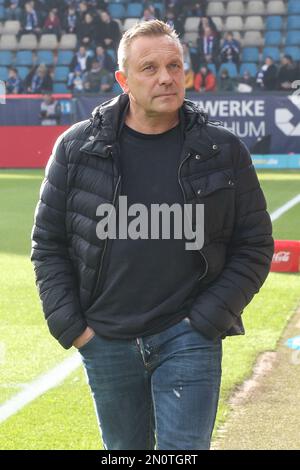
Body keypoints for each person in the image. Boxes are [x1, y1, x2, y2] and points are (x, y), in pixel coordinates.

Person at [31, 20, 274, 450]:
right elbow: (48, 244)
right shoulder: (75, 148)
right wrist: (74, 329)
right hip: (105, 339)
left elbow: (254, 244)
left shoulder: (222, 150)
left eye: (174, 65)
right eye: (150, 68)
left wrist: (206, 321)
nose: (166, 77)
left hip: (188, 338)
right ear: (123, 80)